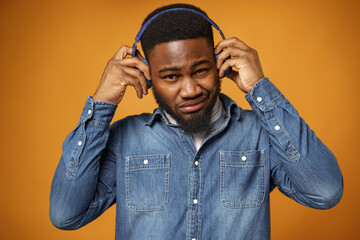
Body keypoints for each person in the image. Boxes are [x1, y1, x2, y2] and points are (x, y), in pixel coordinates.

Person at [49, 3, 343, 240]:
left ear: (220, 63)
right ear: (147, 76)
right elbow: (65, 215)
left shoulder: (260, 135)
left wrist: (260, 89)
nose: (190, 90)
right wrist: (102, 104)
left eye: (200, 70)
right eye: (171, 77)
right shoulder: (126, 140)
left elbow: (326, 191)